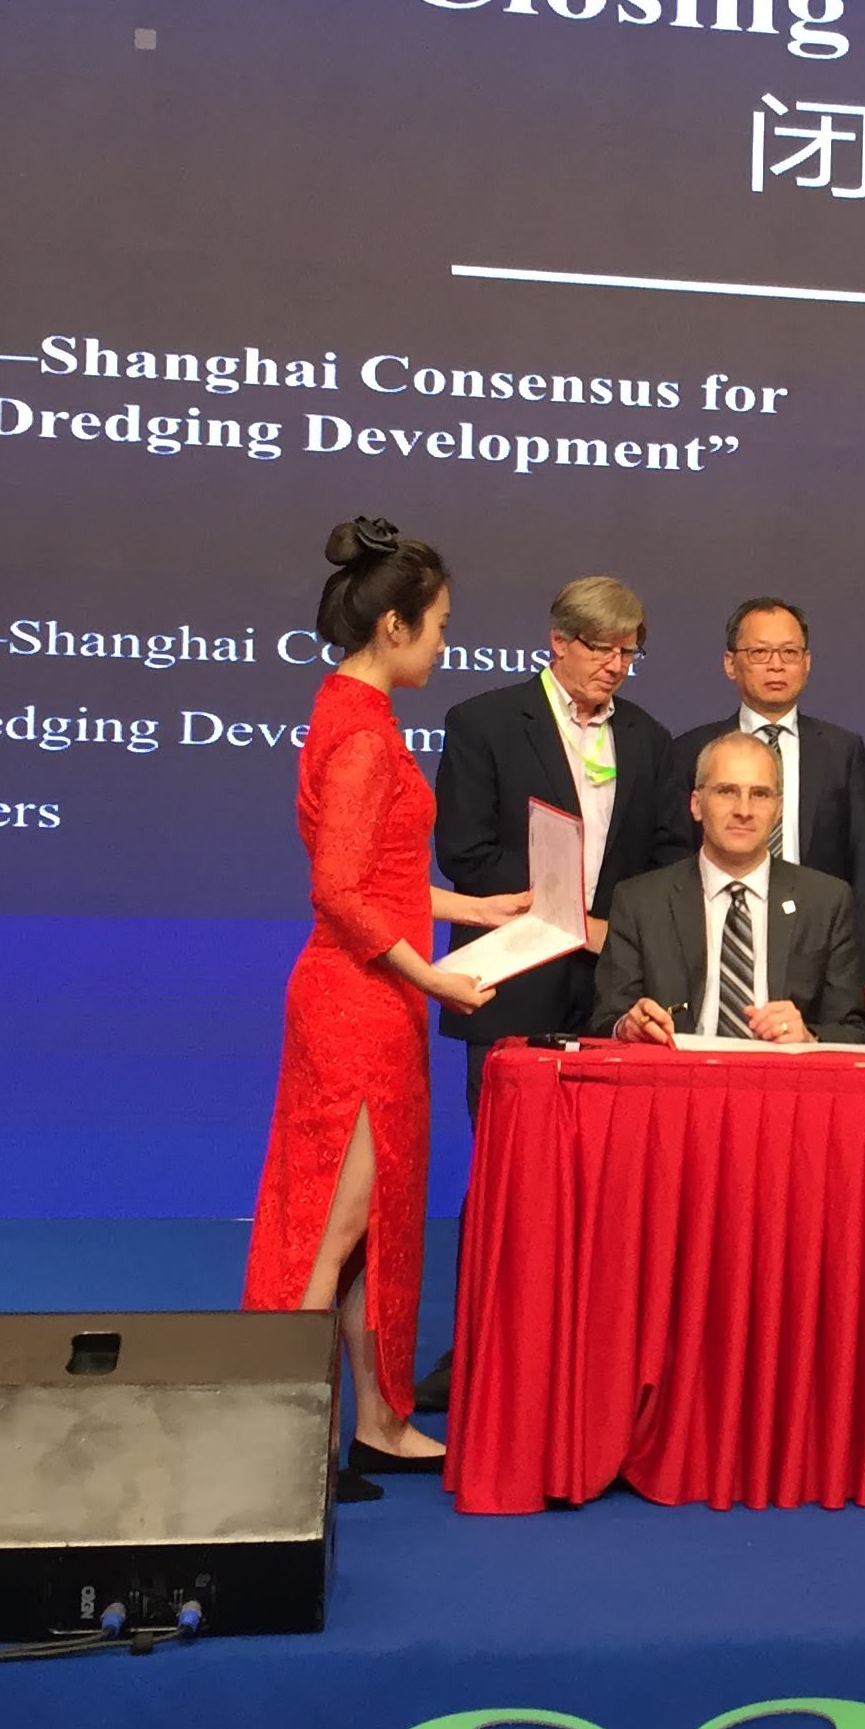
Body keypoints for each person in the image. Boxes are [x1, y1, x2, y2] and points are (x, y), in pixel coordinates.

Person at [241, 520, 536, 1492]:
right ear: (395, 625)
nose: (445, 644)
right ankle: (286, 1445)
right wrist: (436, 976)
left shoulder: (347, 708)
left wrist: (476, 909)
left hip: (368, 996)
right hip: (357, 1007)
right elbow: (339, 891)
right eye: (440, 626)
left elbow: (381, 880)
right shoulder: (364, 734)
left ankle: (376, 1422)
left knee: (360, 1228)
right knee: (335, 1228)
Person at [432, 576, 676, 1102]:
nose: (615, 665)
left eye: (627, 652)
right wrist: (559, 915)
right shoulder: (484, 723)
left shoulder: (650, 739)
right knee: (509, 1145)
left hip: (610, 990)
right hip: (513, 978)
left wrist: (617, 931)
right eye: (601, 648)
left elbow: (664, 858)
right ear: (559, 641)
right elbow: (464, 851)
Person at [653, 597, 865, 1006]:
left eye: (789, 653)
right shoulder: (692, 749)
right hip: (720, 933)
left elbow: (862, 863)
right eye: (760, 653)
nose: (777, 666)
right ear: (730, 664)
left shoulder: (841, 750)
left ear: (807, 663)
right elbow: (672, 856)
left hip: (817, 940)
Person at [594, 732, 865, 1045]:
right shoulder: (640, 902)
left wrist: (809, 1036)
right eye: (727, 791)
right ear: (696, 805)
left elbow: (853, 1030)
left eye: (760, 794)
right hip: (677, 1070)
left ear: (779, 809)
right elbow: (606, 1020)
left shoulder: (826, 902)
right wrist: (628, 1026)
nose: (744, 810)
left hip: (781, 1072)